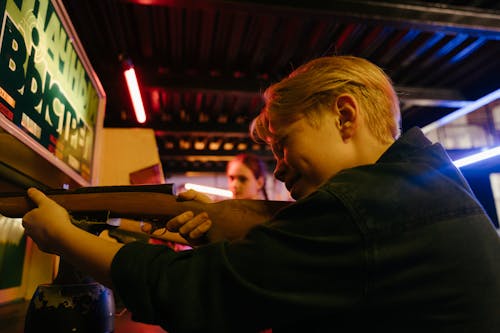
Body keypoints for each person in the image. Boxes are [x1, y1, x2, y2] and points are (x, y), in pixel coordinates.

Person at [21, 55, 500, 332]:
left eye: (285, 144)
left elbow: (192, 292)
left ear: (345, 116)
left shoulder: (365, 206)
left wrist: (64, 237)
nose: (280, 168)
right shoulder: (424, 182)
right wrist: (234, 229)